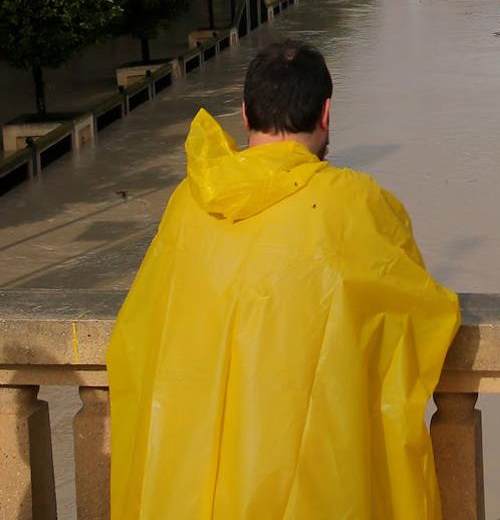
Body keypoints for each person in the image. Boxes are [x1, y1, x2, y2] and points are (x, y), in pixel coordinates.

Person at [108, 40, 460, 520]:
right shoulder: (353, 204)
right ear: (326, 114)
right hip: (311, 473)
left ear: (246, 116)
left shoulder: (188, 204)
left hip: (194, 482)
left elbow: (138, 334)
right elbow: (420, 312)